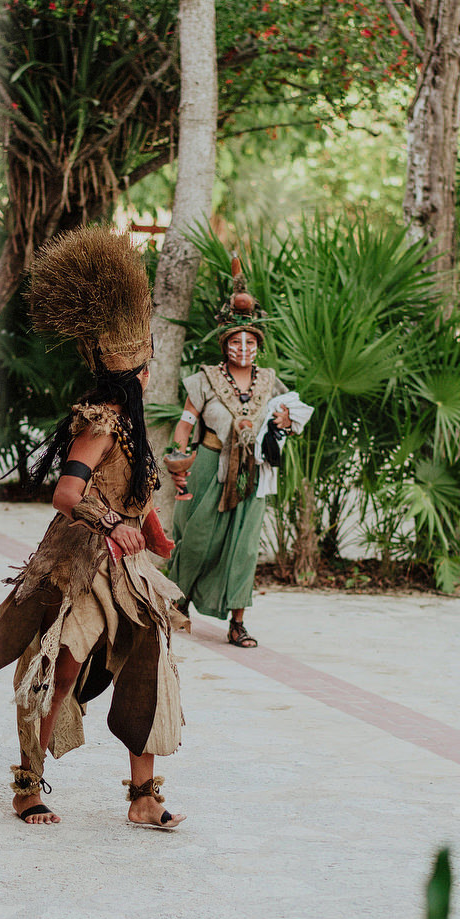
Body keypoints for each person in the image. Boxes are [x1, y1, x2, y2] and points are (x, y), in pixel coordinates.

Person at [0, 227, 186, 830]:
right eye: (147, 364)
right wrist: (108, 524)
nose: (149, 372)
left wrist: (151, 531)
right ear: (136, 370)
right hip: (80, 563)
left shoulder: (131, 421)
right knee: (62, 664)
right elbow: (67, 493)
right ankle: (27, 781)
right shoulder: (100, 422)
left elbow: (130, 493)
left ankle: (144, 796)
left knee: (150, 661)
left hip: (128, 572)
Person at [165, 261, 304, 648]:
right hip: (209, 467)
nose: (243, 349)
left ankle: (237, 622)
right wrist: (178, 455)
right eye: (235, 342)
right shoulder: (205, 378)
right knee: (196, 538)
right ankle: (178, 601)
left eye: (250, 343)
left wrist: (284, 420)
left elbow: (285, 422)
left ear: (258, 346)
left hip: (252, 473)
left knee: (244, 546)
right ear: (225, 345)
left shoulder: (270, 380)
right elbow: (185, 422)